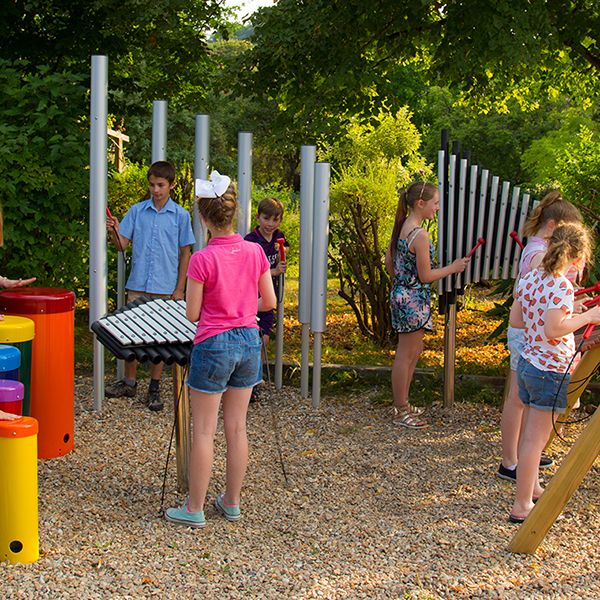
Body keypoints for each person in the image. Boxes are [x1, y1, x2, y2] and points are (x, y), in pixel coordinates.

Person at [165, 171, 276, 528]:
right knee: (237, 428)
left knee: (202, 430)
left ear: (204, 217)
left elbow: (193, 313)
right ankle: (232, 501)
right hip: (248, 341)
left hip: (214, 343)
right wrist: (241, 305)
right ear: (236, 214)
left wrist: (222, 306)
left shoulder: (201, 259)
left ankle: (194, 507)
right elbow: (269, 301)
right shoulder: (256, 251)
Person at [508, 222, 600, 523]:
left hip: (527, 364)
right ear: (578, 256)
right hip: (549, 369)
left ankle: (531, 487)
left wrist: (569, 308)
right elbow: (553, 328)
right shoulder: (561, 284)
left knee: (530, 438)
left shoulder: (532, 277)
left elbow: (519, 321)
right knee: (536, 440)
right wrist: (586, 315)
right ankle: (522, 505)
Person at [498, 192, 583, 482]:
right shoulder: (537, 254)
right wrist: (576, 313)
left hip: (531, 334)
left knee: (525, 404)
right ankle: (513, 460)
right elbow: (538, 301)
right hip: (532, 339)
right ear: (554, 226)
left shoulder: (539, 249)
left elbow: (533, 300)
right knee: (518, 400)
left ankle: (525, 458)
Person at [104, 161, 196, 411]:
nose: (155, 190)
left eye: (161, 185)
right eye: (152, 185)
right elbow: (122, 245)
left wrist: (180, 288)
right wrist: (113, 230)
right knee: (132, 334)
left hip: (166, 286)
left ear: (171, 185)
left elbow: (185, 253)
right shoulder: (136, 211)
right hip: (138, 283)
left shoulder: (180, 215)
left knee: (162, 338)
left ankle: (154, 387)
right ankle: (130, 382)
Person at [384, 181, 469, 429]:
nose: (437, 208)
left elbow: (390, 262)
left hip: (402, 295)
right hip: (413, 300)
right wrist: (453, 268)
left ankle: (404, 402)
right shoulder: (419, 235)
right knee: (406, 354)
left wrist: (401, 281)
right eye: (435, 203)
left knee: (414, 351)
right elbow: (426, 276)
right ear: (421, 203)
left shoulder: (401, 227)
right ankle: (400, 409)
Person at [244, 197, 288, 400]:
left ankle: (254, 380)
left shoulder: (280, 238)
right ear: (258, 217)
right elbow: (248, 272)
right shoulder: (251, 240)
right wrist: (274, 271)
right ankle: (245, 382)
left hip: (269, 297)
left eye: (275, 219)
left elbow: (283, 262)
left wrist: (283, 257)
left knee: (264, 340)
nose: (270, 224)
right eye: (267, 218)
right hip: (250, 296)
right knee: (250, 340)